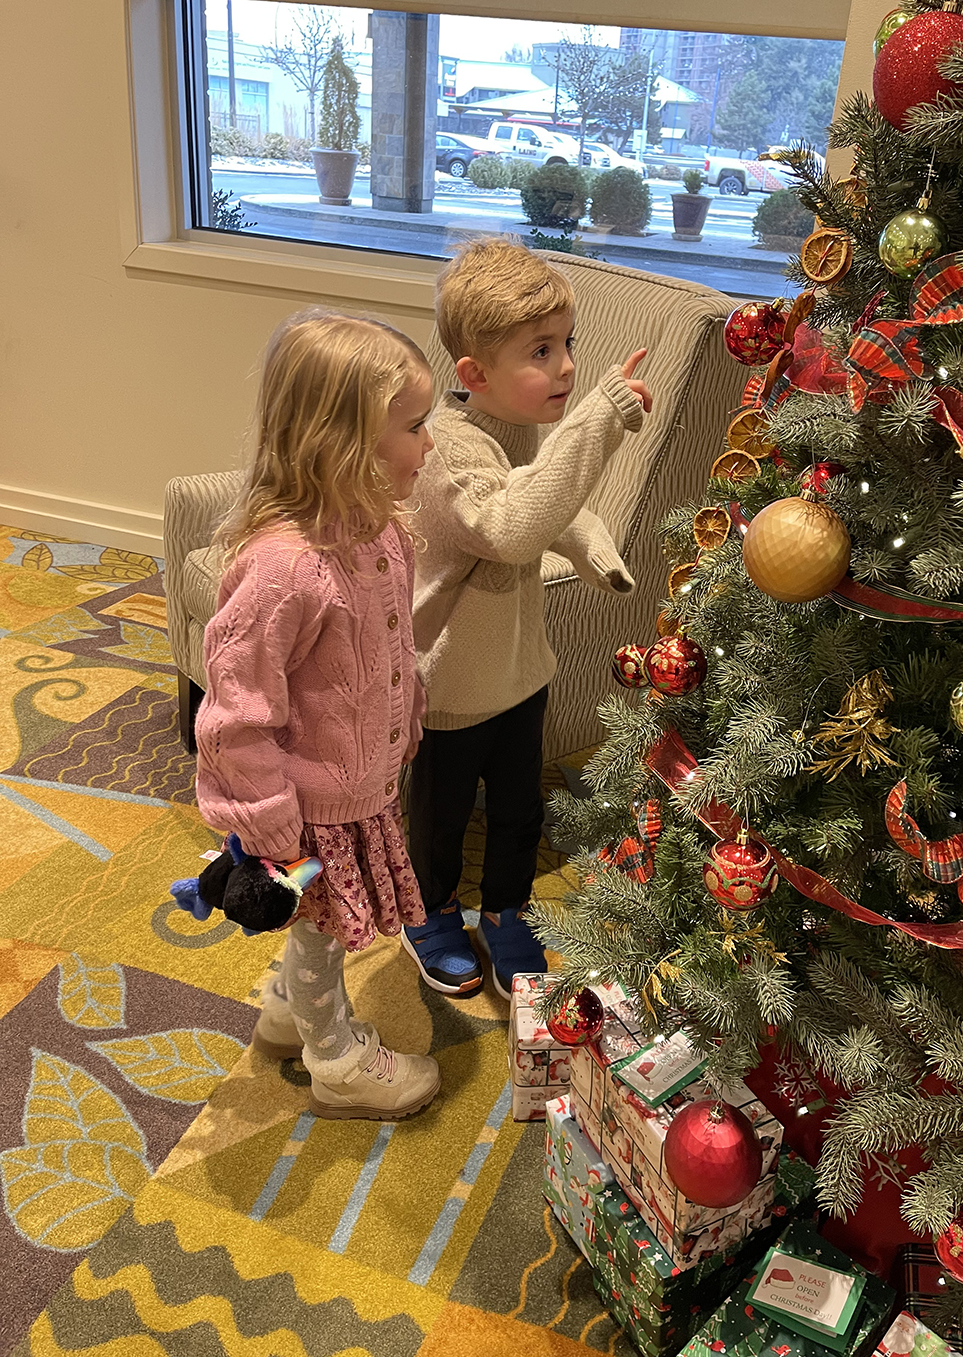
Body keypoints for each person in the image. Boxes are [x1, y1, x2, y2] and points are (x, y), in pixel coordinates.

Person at [194, 308, 440, 1121]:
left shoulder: (384, 537)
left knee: (318, 923)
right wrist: (269, 821)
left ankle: (282, 1012)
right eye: (414, 427)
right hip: (304, 815)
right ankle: (334, 1059)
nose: (429, 445)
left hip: (359, 793)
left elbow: (391, 653)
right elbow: (235, 716)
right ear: (342, 446)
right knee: (324, 931)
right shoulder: (283, 571)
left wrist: (407, 719)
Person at [402, 237, 652, 1000]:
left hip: (517, 671)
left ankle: (505, 910)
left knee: (518, 808)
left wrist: (596, 552)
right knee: (441, 816)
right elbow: (511, 526)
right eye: (540, 351)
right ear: (474, 375)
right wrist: (599, 419)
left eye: (567, 343)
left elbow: (552, 505)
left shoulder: (515, 431)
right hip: (451, 682)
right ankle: (428, 910)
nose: (566, 366)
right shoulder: (447, 449)